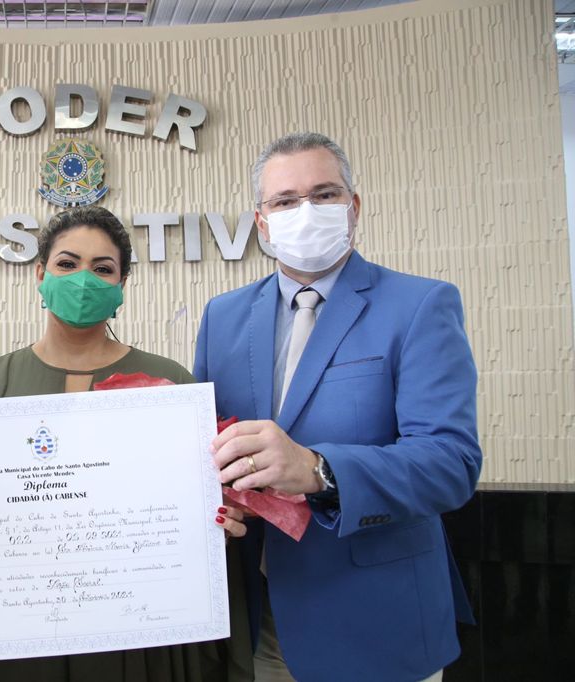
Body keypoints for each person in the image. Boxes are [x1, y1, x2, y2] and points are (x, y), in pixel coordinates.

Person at [0, 205, 254, 682]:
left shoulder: (171, 385)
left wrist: (215, 515)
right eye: (67, 264)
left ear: (122, 284)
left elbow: (196, 503)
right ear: (41, 274)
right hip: (12, 637)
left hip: (136, 632)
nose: (83, 279)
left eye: (102, 269)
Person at [199, 132, 481, 682]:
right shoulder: (223, 317)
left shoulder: (420, 305)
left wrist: (318, 470)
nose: (305, 211)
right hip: (259, 622)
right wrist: (221, 500)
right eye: (285, 201)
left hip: (377, 621)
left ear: (353, 207)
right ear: (261, 223)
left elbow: (451, 463)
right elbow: (213, 450)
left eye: (324, 195)